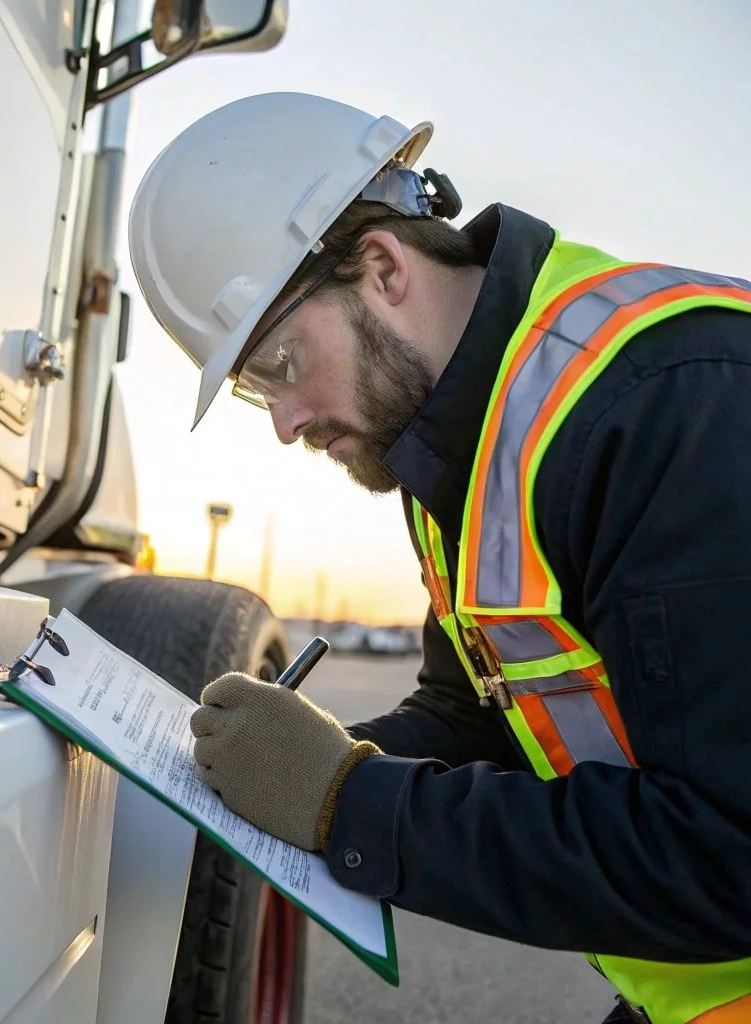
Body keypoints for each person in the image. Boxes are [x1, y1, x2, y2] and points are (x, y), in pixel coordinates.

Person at [127, 92, 751, 1024]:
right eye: (261, 395)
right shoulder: (460, 456)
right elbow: (476, 713)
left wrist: (345, 801)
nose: (289, 425)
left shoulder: (671, 405)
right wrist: (311, 760)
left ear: (381, 267)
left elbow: (726, 853)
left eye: (282, 367)